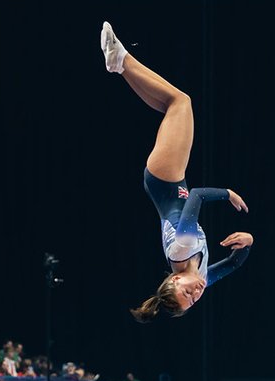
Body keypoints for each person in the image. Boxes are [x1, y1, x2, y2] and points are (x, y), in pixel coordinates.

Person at [98, 22, 255, 323]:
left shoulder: (181, 250)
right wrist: (248, 242)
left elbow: (196, 197)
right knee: (171, 105)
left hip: (163, 180)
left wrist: (227, 194)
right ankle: (120, 64)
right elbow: (234, 264)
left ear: (173, 281)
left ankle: (123, 61)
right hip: (172, 182)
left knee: (181, 102)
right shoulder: (202, 277)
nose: (196, 294)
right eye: (193, 301)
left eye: (186, 293)